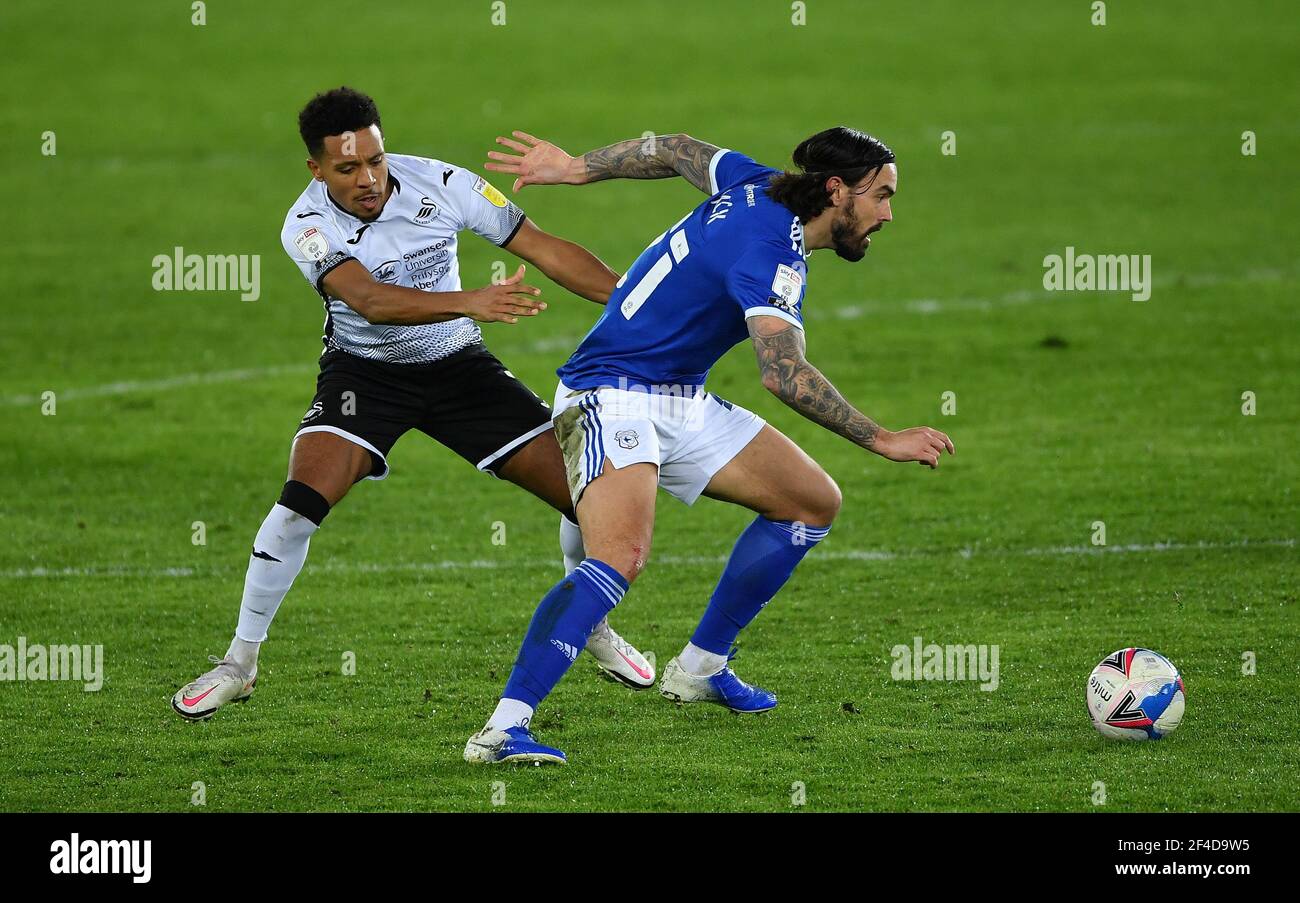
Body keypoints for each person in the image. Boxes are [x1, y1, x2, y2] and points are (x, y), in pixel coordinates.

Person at [463, 127, 954, 764]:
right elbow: (783, 373)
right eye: (881, 195)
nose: (888, 213)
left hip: (677, 395)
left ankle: (699, 668)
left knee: (811, 503)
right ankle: (503, 729)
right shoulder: (771, 253)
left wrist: (578, 168)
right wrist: (882, 438)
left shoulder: (753, 183)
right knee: (621, 557)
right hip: (610, 395)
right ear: (837, 191)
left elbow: (672, 148)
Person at [172, 88, 654, 722]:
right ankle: (240, 662)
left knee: (588, 496)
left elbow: (545, 248)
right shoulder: (305, 224)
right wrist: (471, 301)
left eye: (375, 160)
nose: (369, 178)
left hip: (460, 371)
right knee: (297, 507)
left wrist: (641, 303)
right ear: (316, 170)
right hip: (364, 377)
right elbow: (368, 300)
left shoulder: (445, 183)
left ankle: (589, 624)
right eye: (347, 169)